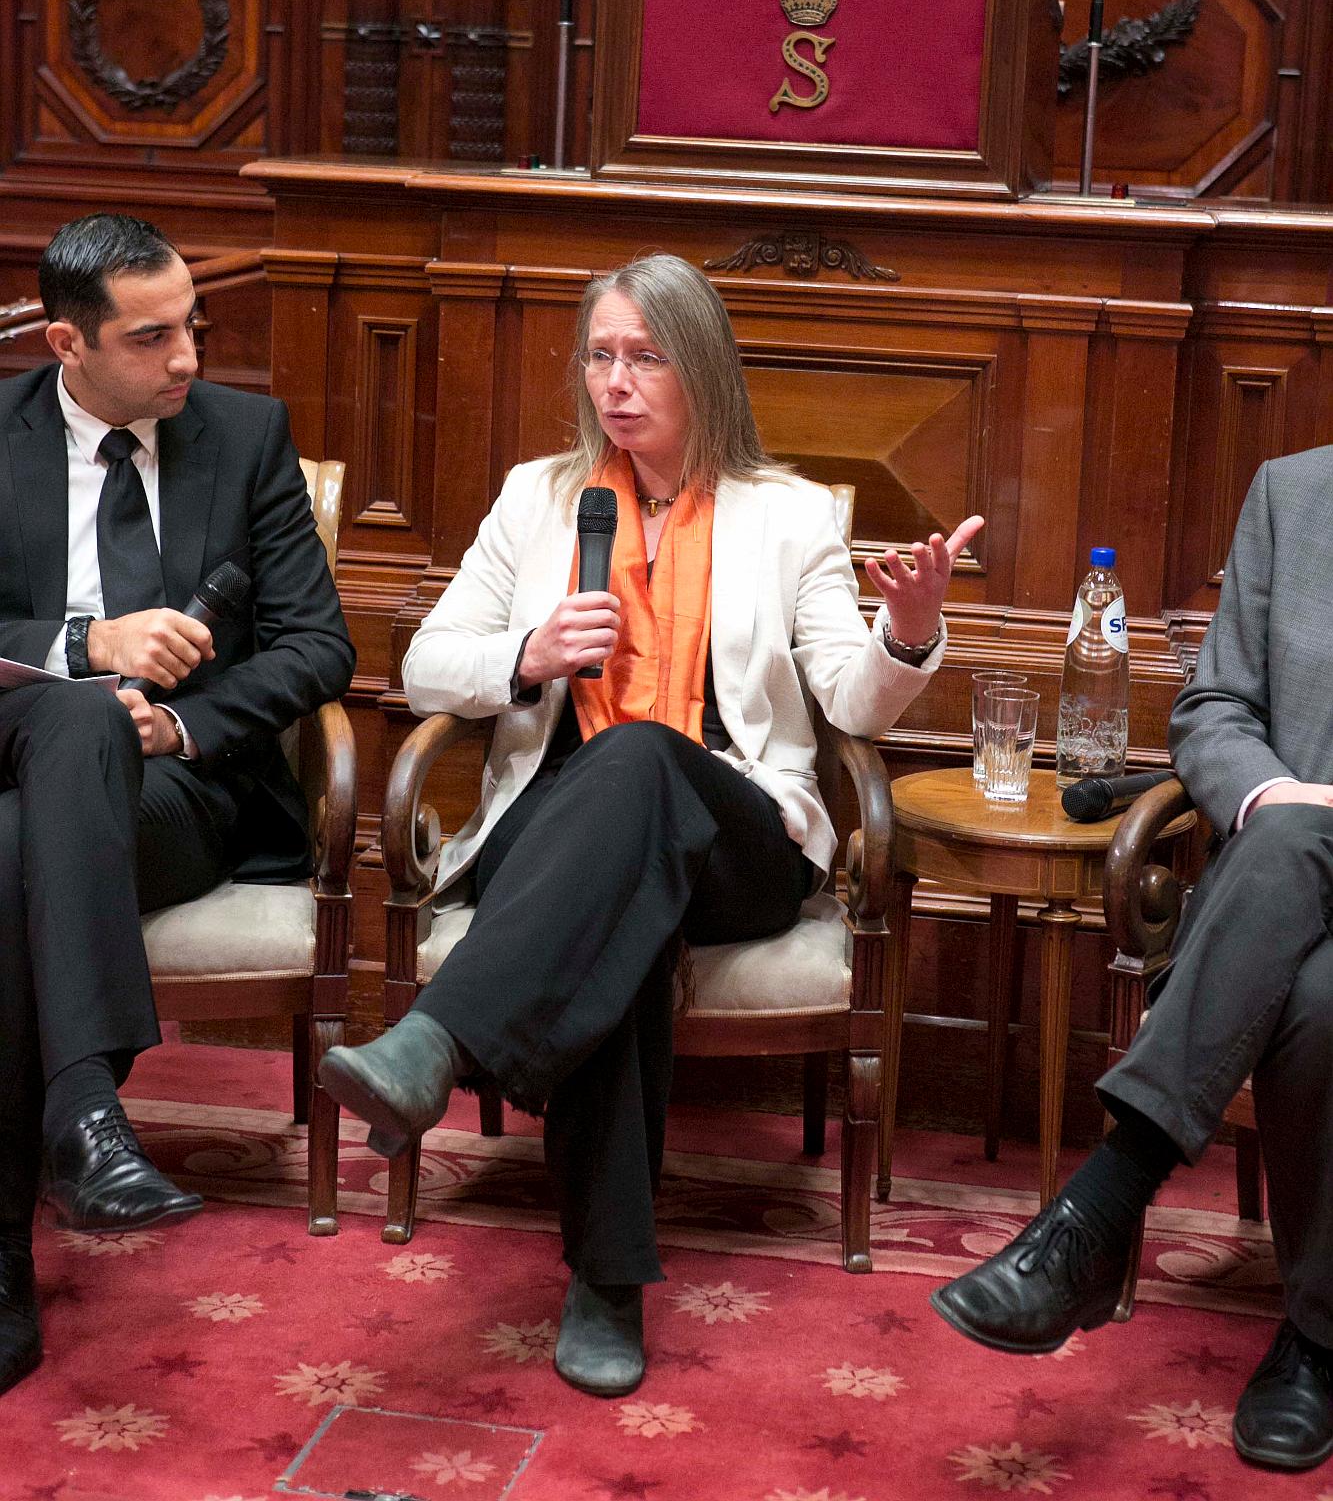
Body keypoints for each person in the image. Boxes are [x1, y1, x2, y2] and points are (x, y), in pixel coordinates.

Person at [321, 252, 982, 1398]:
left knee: (637, 767)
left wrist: (908, 630)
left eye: (645, 356)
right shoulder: (540, 495)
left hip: (740, 832)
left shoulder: (786, 517)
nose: (615, 382)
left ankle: (439, 1037)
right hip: (557, 828)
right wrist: (522, 658)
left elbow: (850, 700)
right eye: (600, 354)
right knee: (618, 913)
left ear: (703, 370)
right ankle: (606, 1278)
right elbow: (426, 662)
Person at [0, 213, 354, 1397]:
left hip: (180, 790)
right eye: (152, 337)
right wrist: (82, 644)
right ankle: (86, 1113)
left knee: (12, 857)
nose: (189, 356)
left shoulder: (246, 436)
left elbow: (317, 645)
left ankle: (15, 1239)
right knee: (68, 723)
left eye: (192, 321)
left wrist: (187, 718)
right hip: (18, 753)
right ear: (66, 341)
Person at [932, 445, 1333, 1474]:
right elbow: (1214, 708)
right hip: (1290, 897)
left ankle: (1101, 1209)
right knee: (1318, 991)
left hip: (1283, 883)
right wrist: (1271, 795)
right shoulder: (1295, 491)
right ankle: (1318, 1341)